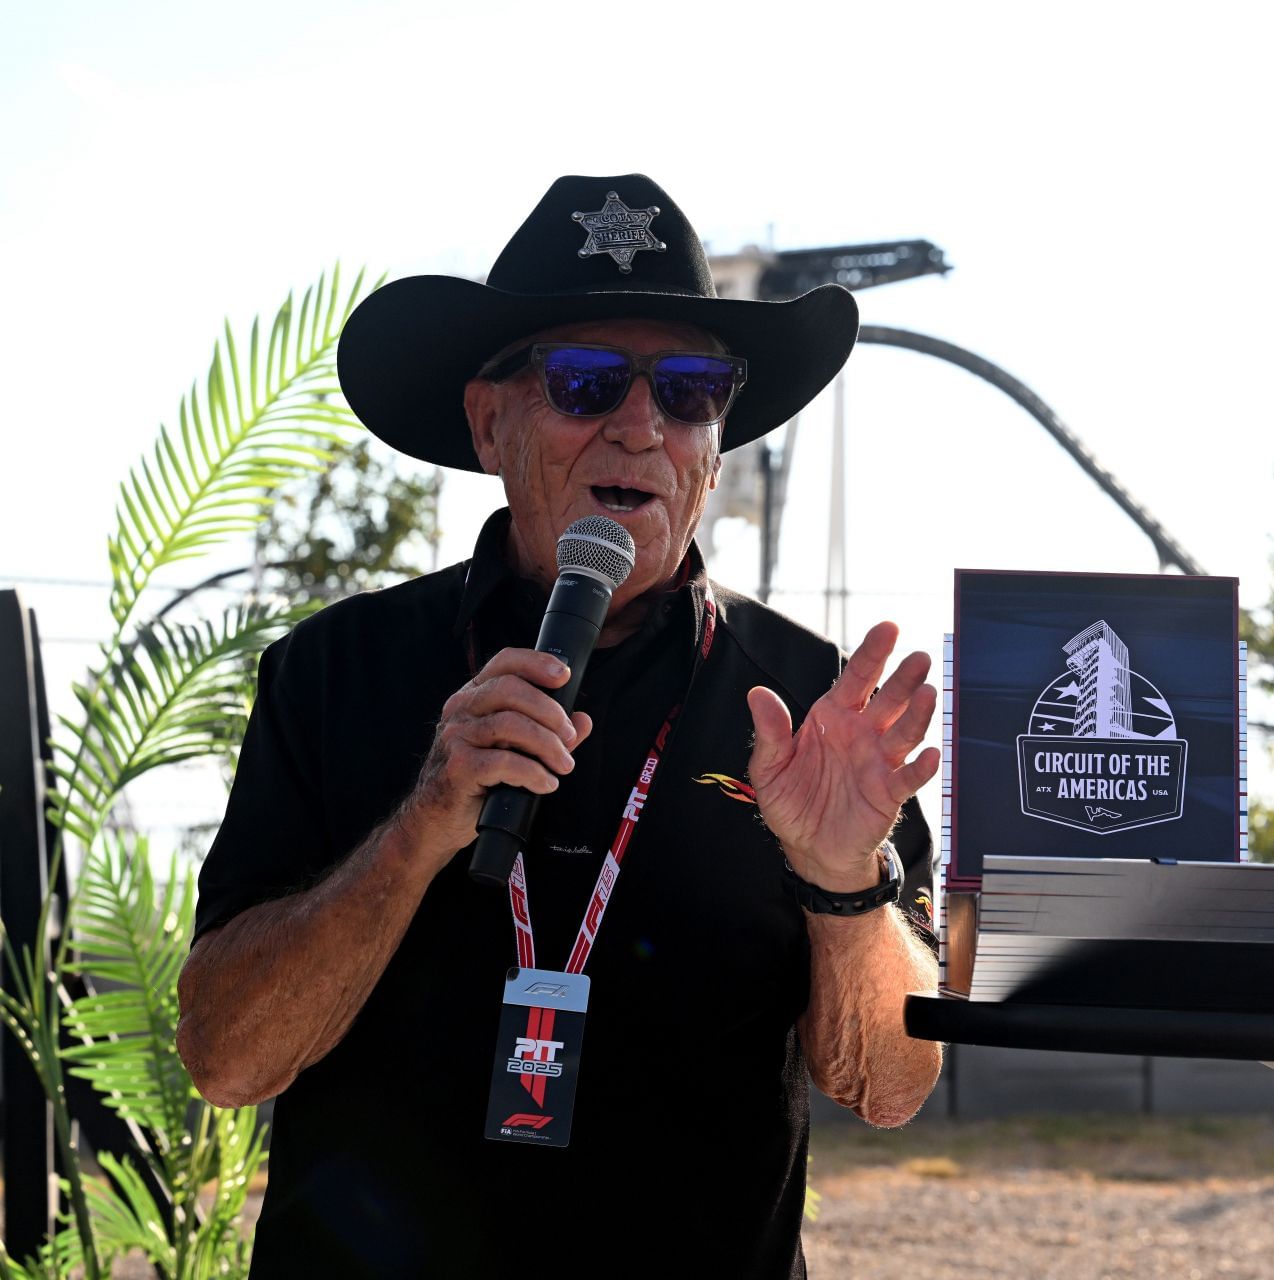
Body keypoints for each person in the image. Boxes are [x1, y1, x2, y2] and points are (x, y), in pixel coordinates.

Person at [175, 174, 942, 1279]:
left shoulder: (813, 706)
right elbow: (225, 1056)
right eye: (586, 383)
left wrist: (840, 877)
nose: (641, 425)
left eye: (688, 391)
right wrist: (421, 825)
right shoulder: (336, 670)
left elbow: (890, 1083)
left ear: (715, 442)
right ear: (492, 423)